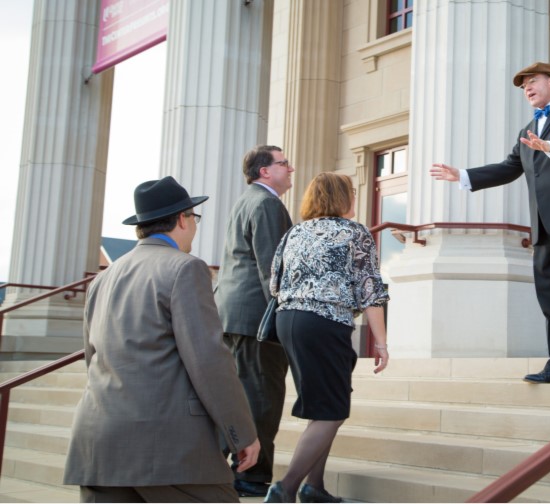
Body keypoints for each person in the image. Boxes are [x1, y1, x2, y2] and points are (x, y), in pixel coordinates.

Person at [63, 177, 260, 503]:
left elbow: (92, 358)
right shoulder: (185, 269)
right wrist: (241, 432)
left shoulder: (102, 278)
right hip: (169, 448)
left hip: (99, 442)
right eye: (194, 218)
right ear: (183, 218)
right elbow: (209, 360)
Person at [430, 62, 550, 385]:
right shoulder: (528, 130)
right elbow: (510, 167)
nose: (526, 88)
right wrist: (464, 175)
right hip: (542, 227)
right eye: (523, 86)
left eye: (532, 81)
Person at [264, 172, 389, 503]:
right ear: (342, 198)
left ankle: (314, 488)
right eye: (351, 193)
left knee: (325, 405)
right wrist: (381, 342)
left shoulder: (294, 232)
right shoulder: (354, 233)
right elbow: (369, 289)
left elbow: (273, 282)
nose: (355, 198)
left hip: (288, 320)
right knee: (332, 410)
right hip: (324, 322)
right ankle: (285, 488)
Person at [214, 145, 294, 497]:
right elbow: (272, 269)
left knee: (240, 395)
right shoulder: (266, 203)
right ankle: (250, 475)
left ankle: (225, 465)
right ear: (265, 171)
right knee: (262, 397)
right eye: (283, 163)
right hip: (256, 319)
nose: (290, 168)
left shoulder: (245, 200)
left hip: (233, 315)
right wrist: (288, 317)